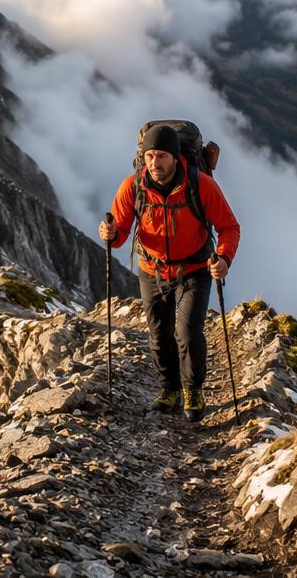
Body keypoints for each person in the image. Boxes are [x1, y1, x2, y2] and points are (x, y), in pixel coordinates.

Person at [99, 124, 240, 422]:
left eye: (161, 155)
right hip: (151, 270)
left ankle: (192, 390)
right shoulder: (132, 186)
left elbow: (228, 227)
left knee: (187, 333)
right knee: (159, 336)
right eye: (149, 155)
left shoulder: (200, 185)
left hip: (195, 269)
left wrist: (224, 258)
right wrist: (110, 233)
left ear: (175, 157)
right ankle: (170, 389)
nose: (155, 163)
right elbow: (121, 231)